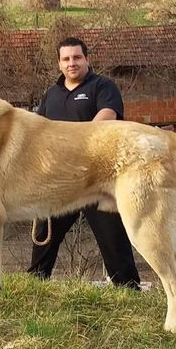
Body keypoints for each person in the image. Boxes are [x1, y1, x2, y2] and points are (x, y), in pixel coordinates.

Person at [28, 36, 141, 289]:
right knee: (43, 238)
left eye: (77, 57)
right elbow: (39, 131)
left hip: (98, 180)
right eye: (66, 59)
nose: (72, 63)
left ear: (86, 59)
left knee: (114, 242)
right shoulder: (51, 94)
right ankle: (34, 288)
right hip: (59, 182)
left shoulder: (102, 86)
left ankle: (129, 292)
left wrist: (73, 145)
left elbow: (107, 118)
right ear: (59, 63)